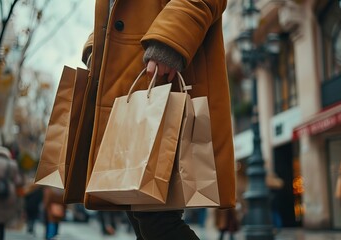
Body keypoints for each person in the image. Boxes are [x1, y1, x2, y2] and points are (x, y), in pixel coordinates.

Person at [82, 1, 234, 239]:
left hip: (163, 76)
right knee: (139, 215)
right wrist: (96, 44)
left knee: (157, 220)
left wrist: (171, 38)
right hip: (128, 86)